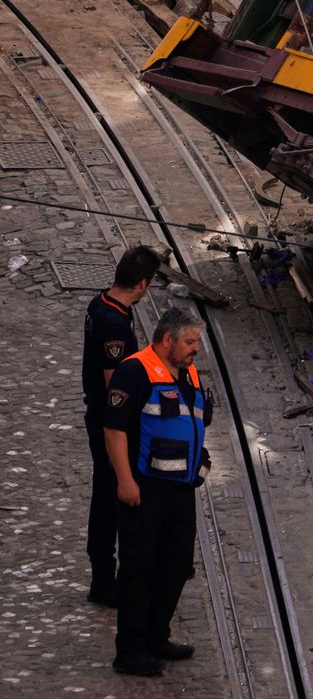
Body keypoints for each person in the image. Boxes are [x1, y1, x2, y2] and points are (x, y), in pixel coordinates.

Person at [104, 307, 212, 677]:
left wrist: (203, 463)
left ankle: (156, 636)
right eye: (190, 341)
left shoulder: (189, 372)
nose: (196, 348)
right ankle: (130, 651)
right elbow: (114, 430)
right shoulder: (134, 371)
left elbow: (193, 421)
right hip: (144, 489)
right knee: (138, 569)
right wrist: (124, 481)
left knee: (177, 566)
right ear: (168, 339)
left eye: (196, 341)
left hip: (181, 490)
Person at [81, 245, 161, 607]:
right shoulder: (115, 321)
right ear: (142, 283)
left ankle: (111, 573)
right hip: (109, 419)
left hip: (101, 412)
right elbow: (116, 381)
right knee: (111, 496)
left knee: (109, 493)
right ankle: (105, 580)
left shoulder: (102, 303)